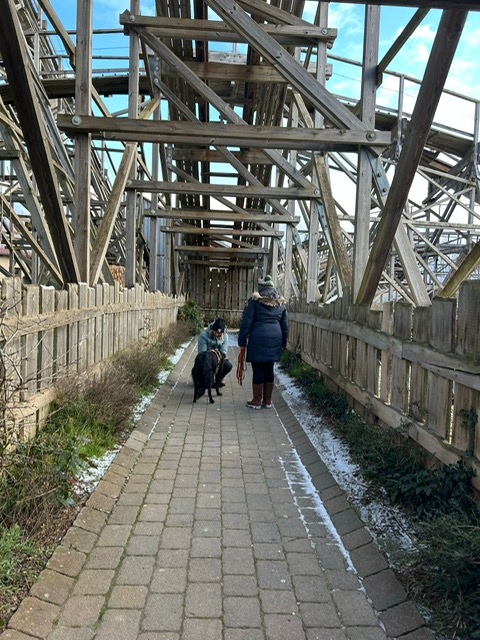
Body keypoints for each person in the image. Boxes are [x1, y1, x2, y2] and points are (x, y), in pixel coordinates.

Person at [237, 275, 288, 409]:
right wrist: (284, 343)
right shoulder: (280, 304)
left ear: (261, 288)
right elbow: (285, 326)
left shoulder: (254, 302)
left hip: (258, 338)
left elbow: (246, 323)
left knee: (258, 368)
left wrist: (242, 341)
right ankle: (267, 400)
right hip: (275, 339)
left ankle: (256, 400)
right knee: (269, 367)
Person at [197, 318, 232, 386]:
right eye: (215, 332)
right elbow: (202, 354)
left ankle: (219, 379)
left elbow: (223, 352)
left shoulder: (225, 336)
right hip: (206, 360)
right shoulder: (203, 336)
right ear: (212, 329)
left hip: (218, 359)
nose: (216, 334)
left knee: (228, 366)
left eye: (219, 333)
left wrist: (216, 358)